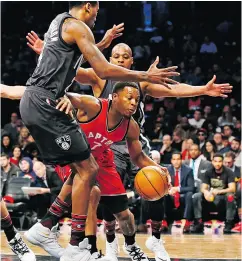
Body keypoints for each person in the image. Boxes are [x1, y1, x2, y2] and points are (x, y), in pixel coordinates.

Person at [1, 40, 233, 261]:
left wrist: (202, 89)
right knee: (90, 187)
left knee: (135, 201)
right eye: (115, 57)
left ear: (132, 62)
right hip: (86, 149)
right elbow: (65, 75)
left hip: (118, 148)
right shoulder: (98, 83)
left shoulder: (136, 98)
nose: (120, 61)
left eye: (125, 57)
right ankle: (82, 243)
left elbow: (172, 91)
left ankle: (140, 241)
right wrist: (48, 56)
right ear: (108, 61)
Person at [1, 2, 179, 261]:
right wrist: (145, 76)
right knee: (88, 171)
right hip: (47, 102)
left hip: (37, 99)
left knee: (85, 170)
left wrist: (102, 44)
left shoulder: (58, 22)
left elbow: (71, 61)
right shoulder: (80, 32)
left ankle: (48, 228)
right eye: (97, 8)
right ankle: (76, 244)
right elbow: (102, 70)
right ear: (89, 5)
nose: (98, 14)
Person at [28, 82, 171, 261]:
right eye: (129, 98)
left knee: (125, 216)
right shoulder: (95, 106)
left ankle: (131, 245)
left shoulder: (130, 126)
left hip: (102, 161)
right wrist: (65, 97)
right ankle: (81, 245)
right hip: (72, 157)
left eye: (137, 99)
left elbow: (138, 157)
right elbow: (75, 97)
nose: (134, 103)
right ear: (115, 97)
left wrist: (159, 169)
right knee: (92, 189)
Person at [191, 154, 236, 234]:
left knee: (230, 196)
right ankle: (198, 222)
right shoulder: (208, 172)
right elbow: (203, 188)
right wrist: (206, 192)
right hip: (211, 196)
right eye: (215, 161)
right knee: (196, 196)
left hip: (223, 196)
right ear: (212, 162)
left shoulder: (229, 172)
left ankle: (229, 222)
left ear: (222, 162)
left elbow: (232, 188)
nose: (217, 164)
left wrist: (219, 191)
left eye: (219, 161)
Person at [166, 152, 194, 233]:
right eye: (174, 159)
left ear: (181, 160)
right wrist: (169, 190)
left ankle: (186, 221)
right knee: (163, 195)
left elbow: (191, 187)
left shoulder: (188, 170)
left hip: (183, 194)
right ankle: (163, 221)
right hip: (170, 194)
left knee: (190, 194)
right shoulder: (167, 170)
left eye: (178, 159)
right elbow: (163, 185)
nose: (176, 161)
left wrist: (177, 189)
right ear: (171, 161)